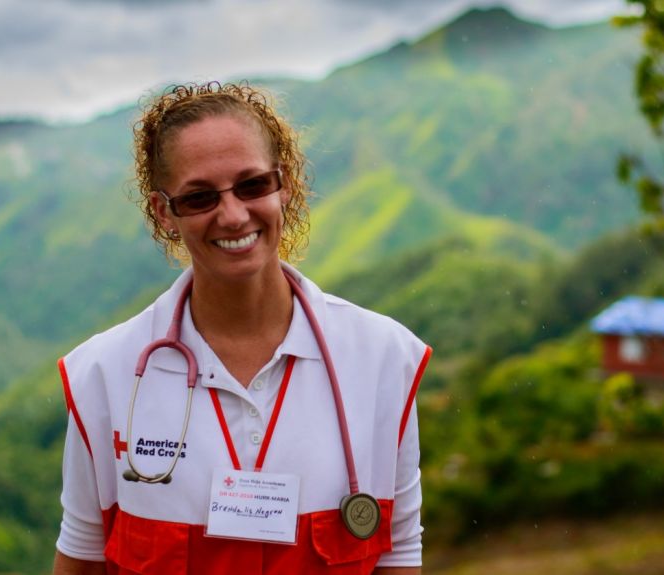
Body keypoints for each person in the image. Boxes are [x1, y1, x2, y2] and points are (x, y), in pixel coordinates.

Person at [52, 82, 430, 574]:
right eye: (200, 197)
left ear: (285, 183)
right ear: (165, 212)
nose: (232, 215)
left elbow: (398, 553)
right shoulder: (102, 375)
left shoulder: (384, 360)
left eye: (252, 185)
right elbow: (81, 555)